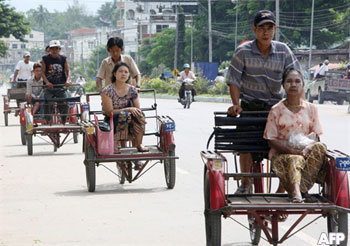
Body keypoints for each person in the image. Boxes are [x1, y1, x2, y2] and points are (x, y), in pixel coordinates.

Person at [226, 10, 301, 194]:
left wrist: (299, 106)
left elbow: (296, 78)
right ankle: (245, 183)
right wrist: (236, 104)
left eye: (269, 28)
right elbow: (234, 80)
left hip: (277, 108)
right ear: (254, 29)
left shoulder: (284, 51)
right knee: (245, 143)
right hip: (250, 106)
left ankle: (283, 189)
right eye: (261, 28)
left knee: (288, 145)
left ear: (275, 29)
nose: (265, 32)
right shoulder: (242, 52)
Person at [264, 68, 326, 203]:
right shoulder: (276, 110)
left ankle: (301, 189)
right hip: (281, 156)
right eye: (289, 81)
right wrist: (292, 150)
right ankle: (296, 192)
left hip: (306, 154)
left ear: (303, 85)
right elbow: (271, 140)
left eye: (297, 81)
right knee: (295, 159)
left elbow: (316, 135)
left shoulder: (311, 109)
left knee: (321, 147)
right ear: (283, 85)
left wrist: (308, 149)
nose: (293, 85)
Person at [101, 62, 148, 154]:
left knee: (139, 114)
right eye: (120, 71)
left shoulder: (132, 89)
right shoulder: (107, 90)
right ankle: (115, 143)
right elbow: (109, 112)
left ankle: (139, 144)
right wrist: (128, 110)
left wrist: (131, 113)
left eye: (126, 72)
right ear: (114, 74)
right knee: (123, 114)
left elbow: (137, 108)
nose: (123, 74)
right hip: (112, 119)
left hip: (130, 117)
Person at [41, 40, 71, 124]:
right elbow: (42, 73)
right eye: (52, 49)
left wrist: (68, 80)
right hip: (49, 87)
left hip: (60, 86)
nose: (54, 51)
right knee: (47, 102)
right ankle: (47, 120)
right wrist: (47, 82)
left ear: (59, 50)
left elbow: (68, 71)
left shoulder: (63, 59)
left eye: (56, 49)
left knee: (64, 103)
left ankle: (64, 121)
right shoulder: (45, 59)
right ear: (49, 50)